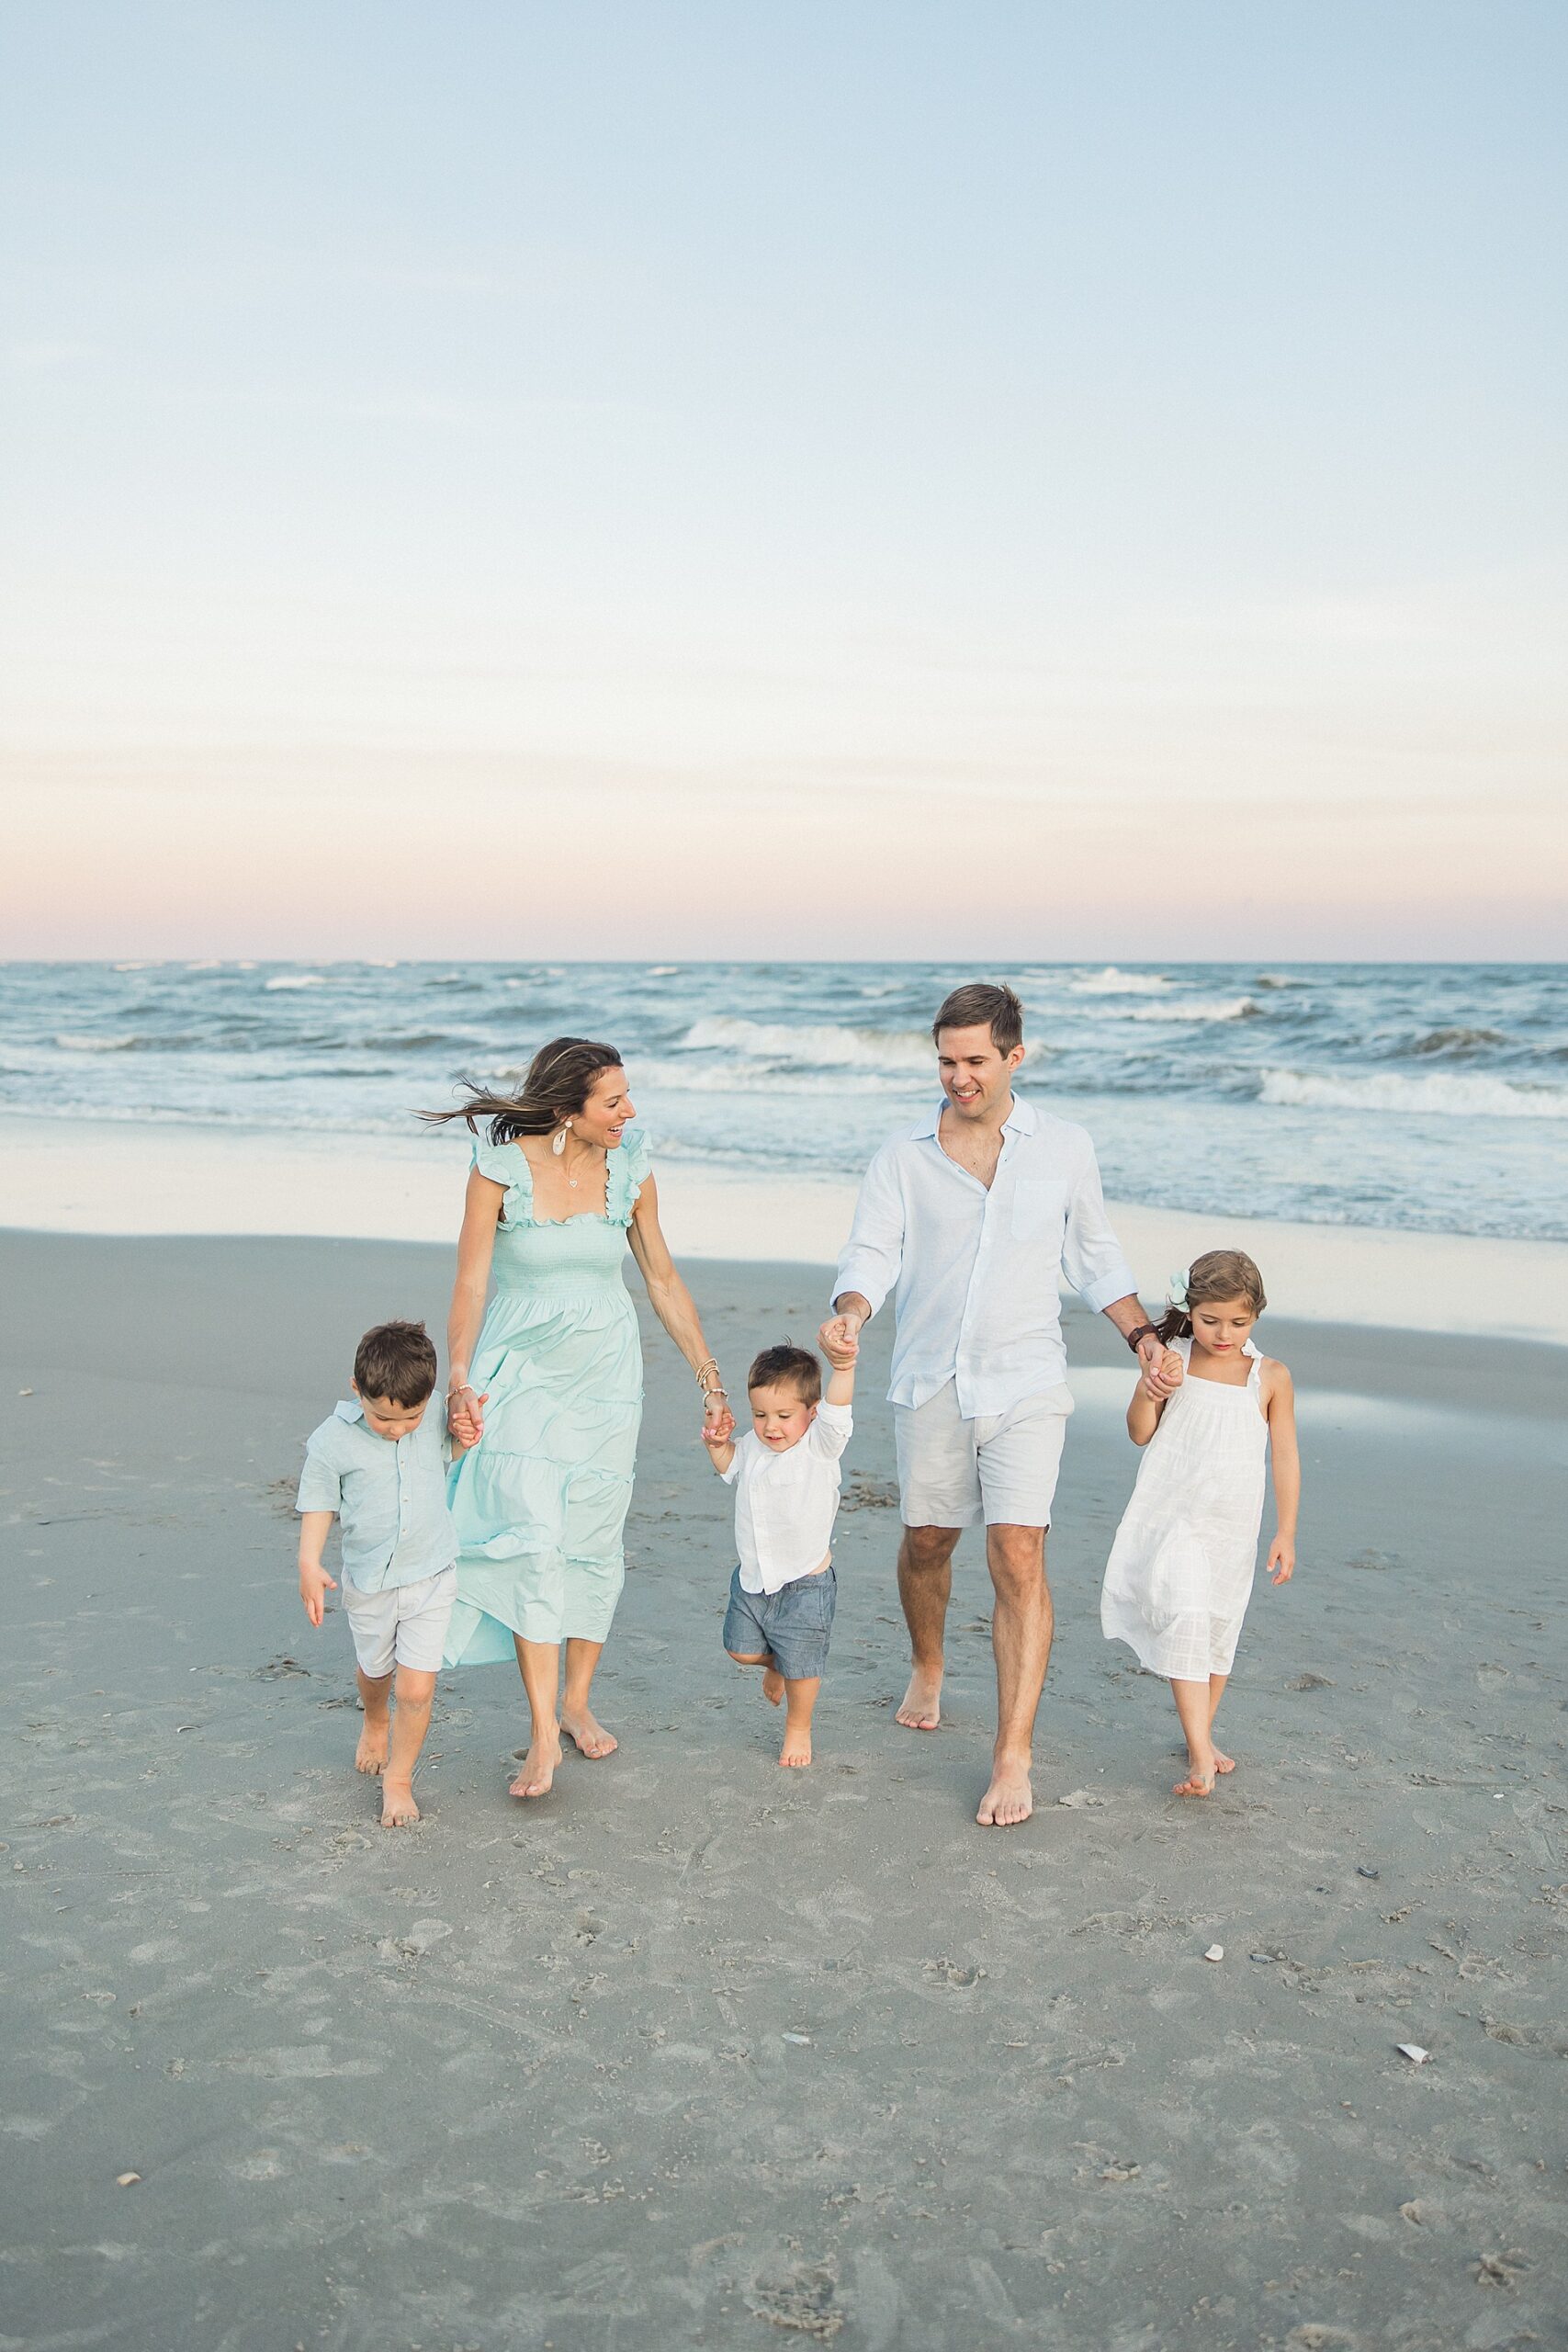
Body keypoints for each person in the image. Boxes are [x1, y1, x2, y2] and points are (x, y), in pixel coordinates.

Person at [820, 980, 1179, 1829]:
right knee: (929, 1541)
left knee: (1018, 1554)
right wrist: (851, 1310)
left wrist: (1141, 1339)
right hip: (931, 1381)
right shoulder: (902, 1155)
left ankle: (1011, 1752)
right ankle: (928, 1662)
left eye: (975, 1060)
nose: (958, 1077)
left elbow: (1094, 1258)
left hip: (1025, 1381)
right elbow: (872, 1249)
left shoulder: (1063, 1148)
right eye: (946, 1061)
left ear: (1014, 1057)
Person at [422, 1038, 727, 1803]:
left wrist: (709, 1380)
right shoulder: (497, 1172)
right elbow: (469, 1283)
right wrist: (458, 1377)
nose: (631, 1111)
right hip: (519, 1372)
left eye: (628, 1097)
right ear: (567, 1110)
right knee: (531, 1536)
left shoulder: (631, 1167)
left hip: (604, 1378)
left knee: (590, 1537)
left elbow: (660, 1277)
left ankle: (576, 1699)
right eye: (614, 1101)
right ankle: (537, 1732)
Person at [1100, 1249, 1300, 1796]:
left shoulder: (1270, 1377)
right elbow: (1140, 1432)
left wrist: (1286, 1532)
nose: (1223, 1333)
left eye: (1238, 1322)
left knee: (1217, 1627)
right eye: (1210, 1320)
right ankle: (1199, 1756)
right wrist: (1148, 1390)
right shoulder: (1172, 1359)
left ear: (1256, 1315)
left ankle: (1201, 1736)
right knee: (1186, 1615)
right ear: (1189, 1310)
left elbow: (1285, 1456)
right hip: (1173, 1517)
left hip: (1231, 1527)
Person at [296, 1320, 474, 1828]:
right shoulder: (331, 1442)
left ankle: (399, 1779)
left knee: (416, 1690)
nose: (398, 1429)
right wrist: (310, 1564)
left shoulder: (436, 1413)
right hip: (370, 1582)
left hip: (432, 1576)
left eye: (411, 1418)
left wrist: (463, 1437)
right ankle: (375, 1717)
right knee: (376, 1672)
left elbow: (450, 1453)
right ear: (358, 1390)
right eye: (383, 1420)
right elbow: (318, 1505)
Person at [703, 1334, 858, 1769]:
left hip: (806, 1582)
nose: (771, 1426)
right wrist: (718, 1446)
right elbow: (730, 1465)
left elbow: (838, 1409)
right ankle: (777, 1663)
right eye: (760, 1414)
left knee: (804, 1666)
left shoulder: (820, 1446)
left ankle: (798, 1726)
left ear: (811, 1413)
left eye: (785, 1415)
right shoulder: (753, 1446)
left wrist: (842, 1368)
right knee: (738, 1648)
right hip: (754, 1578)